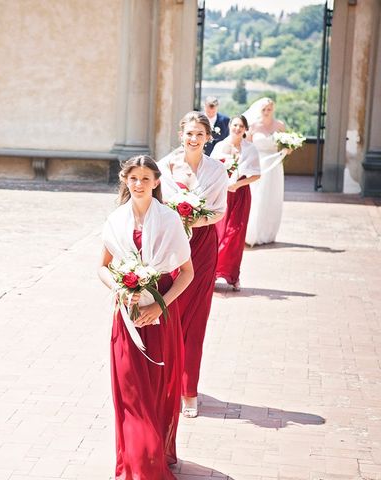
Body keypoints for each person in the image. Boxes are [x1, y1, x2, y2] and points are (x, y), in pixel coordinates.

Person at [99, 155, 194, 479]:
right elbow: (102, 266)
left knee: (156, 391)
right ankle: (139, 464)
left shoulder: (169, 221)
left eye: (145, 178)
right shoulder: (115, 219)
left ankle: (152, 454)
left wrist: (159, 305)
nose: (138, 184)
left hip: (160, 317)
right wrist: (119, 288)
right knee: (130, 392)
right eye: (133, 178)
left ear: (156, 182)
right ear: (125, 181)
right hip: (125, 319)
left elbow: (186, 274)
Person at [158, 112, 227, 419]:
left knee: (195, 318)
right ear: (180, 134)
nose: (194, 138)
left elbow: (220, 212)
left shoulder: (217, 171)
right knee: (170, 312)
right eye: (189, 133)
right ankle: (165, 381)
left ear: (208, 137)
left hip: (201, 246)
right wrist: (177, 221)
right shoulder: (165, 166)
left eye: (200, 133)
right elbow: (157, 206)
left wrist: (194, 219)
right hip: (171, 247)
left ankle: (189, 391)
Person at [210, 115, 261, 291]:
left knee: (236, 234)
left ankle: (233, 275)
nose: (237, 128)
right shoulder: (219, 147)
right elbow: (211, 171)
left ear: (245, 129)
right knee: (219, 233)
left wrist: (237, 184)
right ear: (230, 126)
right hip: (221, 194)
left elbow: (256, 174)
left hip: (240, 194)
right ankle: (213, 272)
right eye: (235, 125)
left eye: (241, 126)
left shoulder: (251, 149)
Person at [242, 97, 288, 246]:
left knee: (272, 198)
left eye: (269, 109)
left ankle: (268, 233)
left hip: (275, 166)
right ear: (259, 110)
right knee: (258, 197)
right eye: (264, 109)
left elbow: (285, 145)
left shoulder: (280, 125)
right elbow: (246, 147)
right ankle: (253, 232)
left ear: (273, 109)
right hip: (259, 164)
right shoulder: (253, 126)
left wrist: (288, 149)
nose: (267, 112)